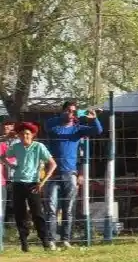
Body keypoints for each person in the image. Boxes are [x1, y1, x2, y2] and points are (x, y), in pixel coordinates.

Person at [42, 100, 104, 248]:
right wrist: (72, 116)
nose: (71, 114)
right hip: (52, 174)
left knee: (68, 209)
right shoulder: (53, 126)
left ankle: (65, 240)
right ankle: (50, 240)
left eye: (73, 112)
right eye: (68, 111)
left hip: (70, 173)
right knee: (51, 208)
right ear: (62, 111)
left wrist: (93, 119)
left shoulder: (78, 130)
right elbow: (47, 124)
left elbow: (98, 130)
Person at [8, 122, 56, 251]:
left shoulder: (39, 146)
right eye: (22, 134)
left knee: (37, 213)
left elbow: (52, 164)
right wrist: (11, 165)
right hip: (18, 183)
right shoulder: (16, 147)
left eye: (28, 134)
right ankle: (24, 243)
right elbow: (3, 156)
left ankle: (45, 241)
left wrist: (43, 181)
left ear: (33, 135)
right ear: (19, 135)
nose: (25, 136)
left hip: (33, 184)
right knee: (20, 213)